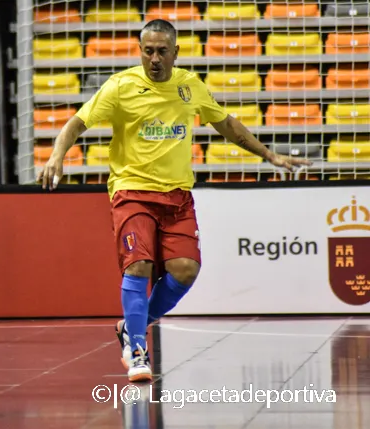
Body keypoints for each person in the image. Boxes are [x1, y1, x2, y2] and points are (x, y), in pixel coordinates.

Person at [38, 19, 312, 382]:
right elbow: (76, 122)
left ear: (175, 53)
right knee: (138, 267)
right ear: (140, 52)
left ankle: (132, 325)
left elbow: (227, 124)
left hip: (177, 196)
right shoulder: (120, 87)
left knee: (185, 271)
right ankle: (137, 348)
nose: (154, 58)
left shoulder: (189, 86)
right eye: (147, 51)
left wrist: (270, 155)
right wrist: (57, 155)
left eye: (162, 51)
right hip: (132, 190)